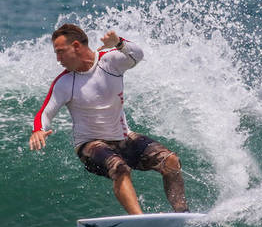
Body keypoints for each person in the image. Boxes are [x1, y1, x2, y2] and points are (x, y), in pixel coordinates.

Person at [30, 23, 188, 214]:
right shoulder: (64, 82)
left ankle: (182, 214)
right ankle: (139, 220)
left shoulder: (109, 62)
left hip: (123, 138)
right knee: (119, 167)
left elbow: (137, 55)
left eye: (61, 52)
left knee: (170, 160)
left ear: (77, 46)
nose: (58, 59)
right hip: (90, 146)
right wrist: (38, 129)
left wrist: (119, 43)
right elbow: (45, 112)